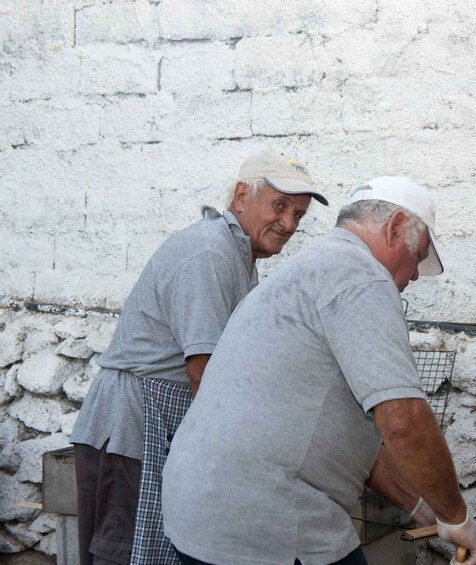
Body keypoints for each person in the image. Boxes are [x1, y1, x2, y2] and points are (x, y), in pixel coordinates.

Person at [161, 177, 476, 565]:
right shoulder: (362, 275)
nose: (414, 275)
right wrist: (458, 517)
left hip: (198, 511)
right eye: (416, 257)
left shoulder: (311, 266)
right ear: (395, 227)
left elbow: (349, 439)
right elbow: (402, 420)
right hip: (265, 520)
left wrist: (423, 508)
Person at [69, 147, 329, 565]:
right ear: (242, 196)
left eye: (298, 214)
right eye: (279, 206)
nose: (289, 224)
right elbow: (204, 373)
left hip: (159, 424)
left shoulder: (238, 254)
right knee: (121, 555)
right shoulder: (210, 253)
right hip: (134, 429)